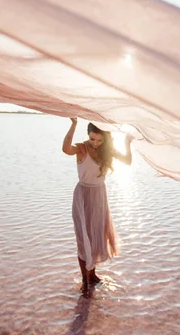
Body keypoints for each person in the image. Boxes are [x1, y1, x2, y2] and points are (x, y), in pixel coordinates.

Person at [62, 117, 133, 296]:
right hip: (83, 196)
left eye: (100, 140)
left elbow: (128, 161)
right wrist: (73, 125)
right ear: (88, 135)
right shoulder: (82, 148)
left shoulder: (106, 151)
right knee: (83, 238)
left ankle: (92, 275)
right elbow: (65, 149)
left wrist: (126, 143)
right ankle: (85, 280)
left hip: (100, 196)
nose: (95, 143)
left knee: (96, 235)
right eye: (93, 138)